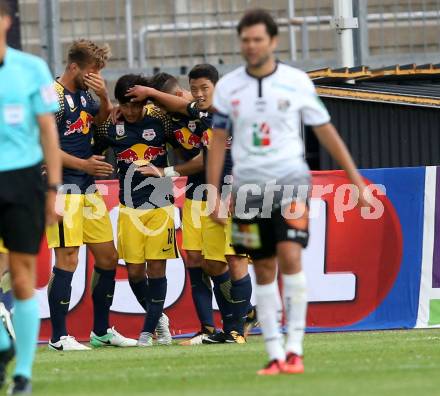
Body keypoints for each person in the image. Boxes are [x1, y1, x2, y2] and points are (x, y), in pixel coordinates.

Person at [206, 9, 372, 375]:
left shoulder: (296, 82)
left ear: (273, 42)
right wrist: (214, 193)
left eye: (258, 40)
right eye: (245, 40)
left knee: (290, 256)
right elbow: (217, 142)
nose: (251, 46)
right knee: (262, 268)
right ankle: (274, 352)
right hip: (248, 188)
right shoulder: (229, 87)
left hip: (291, 181)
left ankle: (295, 348)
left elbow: (326, 131)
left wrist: (356, 181)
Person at [127, 65, 257, 345]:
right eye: (195, 89)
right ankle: (228, 326)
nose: (198, 95)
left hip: (240, 193)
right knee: (212, 262)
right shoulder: (201, 115)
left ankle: (239, 324)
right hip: (208, 194)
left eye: (204, 89)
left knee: (237, 259)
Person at [45, 39, 136, 351]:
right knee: (68, 257)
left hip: (88, 188)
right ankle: (58, 337)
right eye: (93, 71)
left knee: (108, 258)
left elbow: (101, 125)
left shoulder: (86, 94)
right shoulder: (52, 96)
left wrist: (103, 95)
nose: (96, 75)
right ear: (74, 67)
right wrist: (83, 163)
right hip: (62, 188)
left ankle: (100, 332)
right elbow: (44, 148)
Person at [0, 1, 62, 392]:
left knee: (22, 280)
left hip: (23, 182)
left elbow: (48, 133)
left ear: (5, 20)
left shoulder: (31, 69)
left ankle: (23, 371)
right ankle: (4, 344)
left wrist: (53, 189)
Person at [94, 74, 177, 347]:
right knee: (134, 273)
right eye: (125, 105)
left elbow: (185, 122)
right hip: (129, 207)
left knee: (157, 269)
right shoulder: (111, 126)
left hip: (160, 204)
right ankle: (160, 319)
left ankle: (147, 332)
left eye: (136, 105)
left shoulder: (160, 118)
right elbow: (90, 141)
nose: (131, 111)